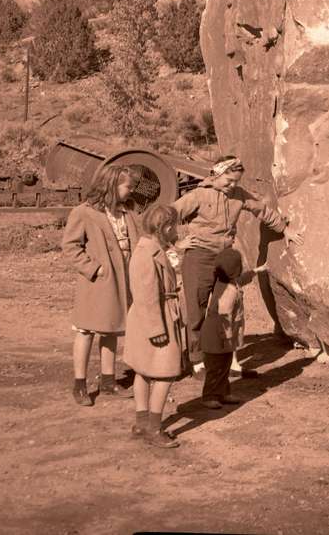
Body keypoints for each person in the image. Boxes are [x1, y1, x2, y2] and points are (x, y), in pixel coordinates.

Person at [173, 156, 290, 371]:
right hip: (198, 257)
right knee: (197, 310)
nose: (232, 185)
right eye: (229, 180)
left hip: (226, 259)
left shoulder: (239, 195)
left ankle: (228, 360)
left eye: (236, 181)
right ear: (217, 174)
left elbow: (262, 210)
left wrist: (284, 229)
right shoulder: (198, 195)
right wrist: (176, 243)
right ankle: (197, 361)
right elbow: (167, 215)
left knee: (227, 308)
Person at [61, 164, 141, 406]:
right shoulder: (84, 213)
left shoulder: (127, 212)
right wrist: (94, 268)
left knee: (111, 328)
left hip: (123, 278)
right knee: (86, 330)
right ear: (112, 185)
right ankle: (80, 385)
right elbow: (70, 247)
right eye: (128, 186)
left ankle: (108, 381)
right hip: (97, 281)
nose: (131, 191)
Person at [124, 203, 187, 449]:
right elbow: (146, 295)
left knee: (143, 371)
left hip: (151, 318)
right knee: (165, 372)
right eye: (175, 226)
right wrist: (156, 329)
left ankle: (142, 423)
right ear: (166, 227)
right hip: (155, 319)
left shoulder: (154, 249)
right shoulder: (146, 255)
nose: (178, 231)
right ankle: (153, 427)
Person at [200, 247, 264, 409]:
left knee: (224, 367)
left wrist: (256, 271)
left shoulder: (226, 282)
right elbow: (224, 318)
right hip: (218, 338)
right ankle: (209, 396)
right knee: (216, 369)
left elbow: (242, 279)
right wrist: (228, 338)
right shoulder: (228, 292)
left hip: (220, 338)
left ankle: (223, 393)